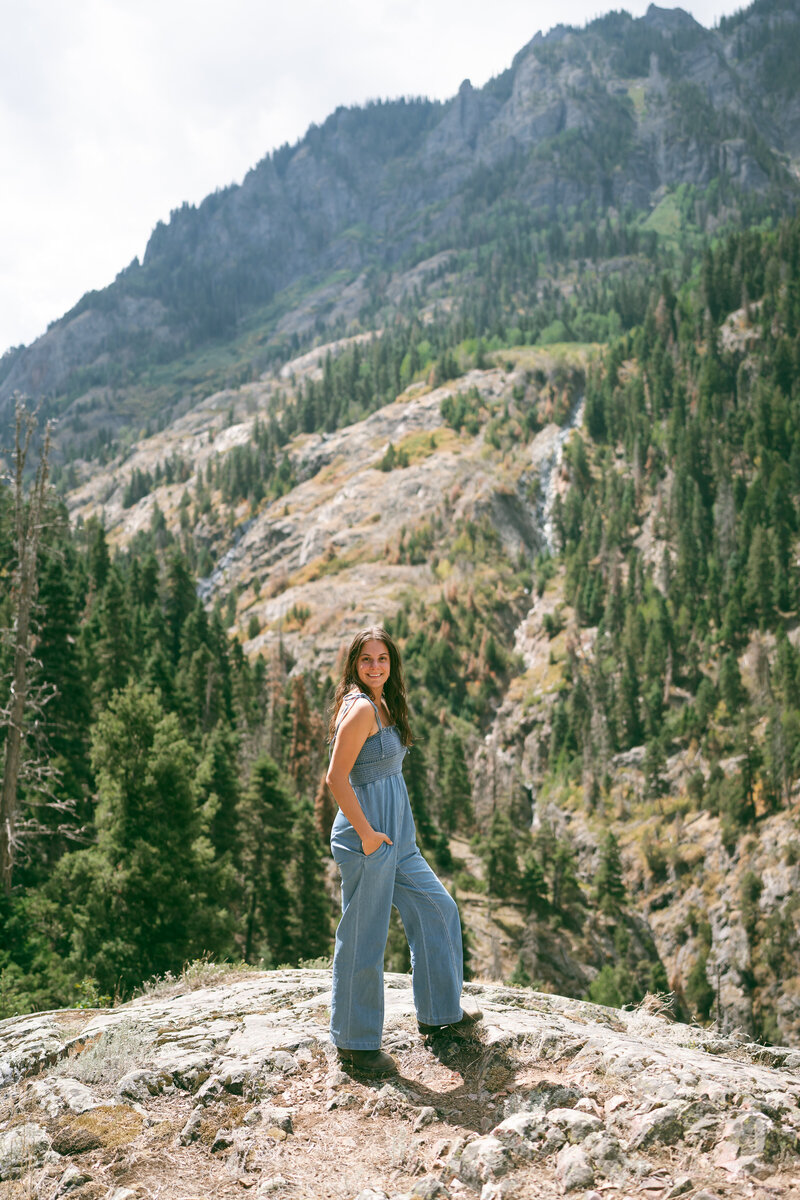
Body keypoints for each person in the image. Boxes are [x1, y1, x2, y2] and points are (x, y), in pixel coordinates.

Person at [326, 625, 480, 1076]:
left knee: (438, 908)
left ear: (391, 664)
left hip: (397, 835)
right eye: (366, 659)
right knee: (365, 937)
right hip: (368, 836)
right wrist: (368, 835)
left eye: (382, 659)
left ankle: (439, 1014)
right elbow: (335, 778)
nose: (375, 666)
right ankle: (355, 1044)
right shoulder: (360, 709)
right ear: (354, 665)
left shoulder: (383, 703)